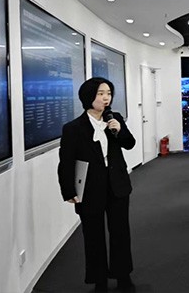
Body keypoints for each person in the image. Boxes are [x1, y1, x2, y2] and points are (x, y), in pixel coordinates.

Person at [57, 77, 137, 292]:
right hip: (89, 189)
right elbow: (66, 162)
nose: (106, 98)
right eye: (101, 93)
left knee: (120, 233)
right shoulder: (73, 128)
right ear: (88, 96)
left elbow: (129, 144)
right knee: (93, 236)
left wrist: (119, 130)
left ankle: (123, 275)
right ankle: (99, 279)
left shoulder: (114, 119)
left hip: (117, 185)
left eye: (109, 93)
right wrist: (68, 190)